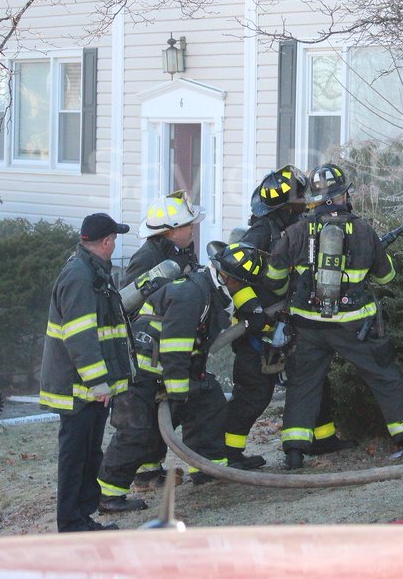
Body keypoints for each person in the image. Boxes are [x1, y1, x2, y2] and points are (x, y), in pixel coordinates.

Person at [97, 242, 269, 502]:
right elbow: (174, 346)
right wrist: (179, 391)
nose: (246, 290)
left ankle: (206, 469)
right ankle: (109, 495)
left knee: (209, 401)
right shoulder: (191, 295)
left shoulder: (209, 289)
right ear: (231, 279)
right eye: (244, 285)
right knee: (137, 432)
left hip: (166, 370)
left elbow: (196, 343)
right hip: (141, 372)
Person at [270, 163, 403, 469]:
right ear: (342, 196)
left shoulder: (295, 232)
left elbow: (274, 276)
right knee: (383, 374)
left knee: (303, 383)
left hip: (307, 325)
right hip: (353, 325)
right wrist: (377, 250)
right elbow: (387, 277)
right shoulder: (364, 231)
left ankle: (294, 451)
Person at [222, 165, 354, 469]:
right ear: (286, 206)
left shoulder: (296, 227)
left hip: (291, 321)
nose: (305, 202)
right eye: (299, 198)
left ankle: (322, 439)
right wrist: (253, 310)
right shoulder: (260, 233)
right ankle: (226, 453)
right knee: (254, 393)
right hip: (258, 330)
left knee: (313, 378)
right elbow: (231, 272)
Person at [99, 190, 205, 507]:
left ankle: (148, 474)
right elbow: (125, 307)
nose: (193, 229)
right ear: (170, 230)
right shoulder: (147, 259)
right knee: (135, 426)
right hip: (137, 355)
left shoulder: (183, 250)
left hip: (161, 352)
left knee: (158, 416)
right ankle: (109, 493)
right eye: (188, 225)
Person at [39, 212, 135, 533]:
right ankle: (71, 524)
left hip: (90, 389)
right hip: (80, 389)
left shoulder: (92, 271)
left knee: (89, 454)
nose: (115, 245)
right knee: (75, 458)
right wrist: (98, 382)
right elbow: (80, 335)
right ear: (106, 242)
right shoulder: (79, 276)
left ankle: (82, 519)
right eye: (114, 240)